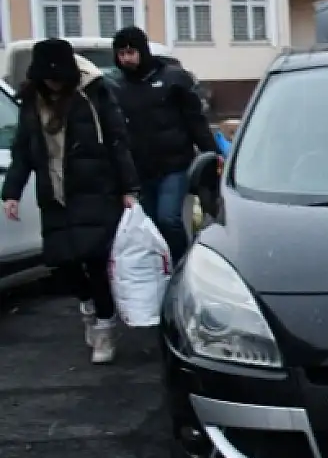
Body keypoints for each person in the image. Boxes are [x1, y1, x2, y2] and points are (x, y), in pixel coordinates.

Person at [2, 39, 140, 364]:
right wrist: (11, 192)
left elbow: (118, 142)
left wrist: (128, 189)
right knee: (62, 262)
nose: (53, 84)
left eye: (57, 78)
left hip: (95, 188)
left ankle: (105, 328)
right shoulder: (31, 101)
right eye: (46, 79)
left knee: (95, 261)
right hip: (54, 194)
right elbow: (23, 149)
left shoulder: (94, 95)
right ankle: (88, 306)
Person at [111, 26, 217, 262]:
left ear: (142, 50)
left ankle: (182, 263)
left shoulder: (172, 79)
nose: (126, 58)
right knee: (150, 225)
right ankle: (163, 268)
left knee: (168, 218)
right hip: (141, 169)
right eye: (121, 53)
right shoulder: (117, 89)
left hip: (175, 165)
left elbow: (195, 121)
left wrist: (212, 154)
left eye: (131, 52)